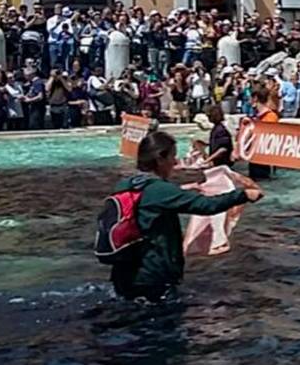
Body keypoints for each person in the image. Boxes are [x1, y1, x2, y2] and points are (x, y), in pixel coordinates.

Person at [109, 130, 262, 302]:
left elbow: (148, 203)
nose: (175, 162)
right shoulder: (161, 191)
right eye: (172, 157)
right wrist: (243, 195)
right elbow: (207, 205)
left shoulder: (126, 184)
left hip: (124, 274)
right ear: (159, 159)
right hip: (153, 279)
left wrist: (181, 190)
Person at [247, 85, 279, 180]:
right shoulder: (256, 117)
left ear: (255, 98)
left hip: (264, 159)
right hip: (255, 156)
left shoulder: (270, 117)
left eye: (250, 98)